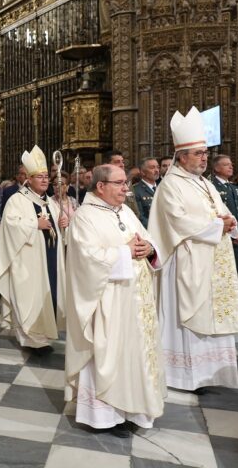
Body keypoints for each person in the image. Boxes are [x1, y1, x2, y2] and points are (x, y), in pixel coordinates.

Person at [148, 107, 238, 392]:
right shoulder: (171, 186)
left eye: (205, 153)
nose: (204, 158)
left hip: (211, 259)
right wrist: (218, 226)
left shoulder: (205, 183)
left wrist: (229, 221)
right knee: (186, 317)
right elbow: (178, 221)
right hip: (185, 262)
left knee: (211, 312)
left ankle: (209, 372)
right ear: (182, 156)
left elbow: (222, 211)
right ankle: (183, 375)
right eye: (198, 153)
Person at [64, 164, 165, 438]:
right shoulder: (85, 217)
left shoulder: (125, 211)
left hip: (134, 302)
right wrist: (125, 251)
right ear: (100, 186)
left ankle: (132, 409)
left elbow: (146, 238)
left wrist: (149, 248)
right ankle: (106, 415)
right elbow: (87, 258)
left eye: (126, 183)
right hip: (107, 302)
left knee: (133, 356)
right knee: (109, 355)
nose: (125, 188)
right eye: (120, 183)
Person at [0, 145, 67, 349]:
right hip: (27, 262)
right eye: (39, 176)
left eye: (46, 176)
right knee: (29, 298)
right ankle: (29, 339)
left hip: (49, 260)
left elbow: (57, 234)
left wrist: (63, 226)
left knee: (48, 295)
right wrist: (34, 224)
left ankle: (43, 336)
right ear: (29, 178)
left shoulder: (51, 203)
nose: (45, 180)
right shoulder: (16, 201)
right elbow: (9, 226)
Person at [211, 155, 238, 273]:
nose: (231, 167)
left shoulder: (234, 187)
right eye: (226, 164)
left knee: (235, 272)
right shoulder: (211, 186)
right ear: (216, 168)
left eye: (231, 164)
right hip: (222, 236)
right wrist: (232, 234)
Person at [104, 150, 140, 218]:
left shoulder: (128, 184)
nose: (122, 165)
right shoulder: (103, 184)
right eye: (117, 162)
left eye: (122, 162)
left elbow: (135, 211)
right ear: (107, 165)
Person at [133, 157, 159, 228]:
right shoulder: (136, 190)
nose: (156, 170)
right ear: (142, 172)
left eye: (157, 167)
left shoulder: (162, 188)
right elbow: (140, 217)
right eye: (152, 168)